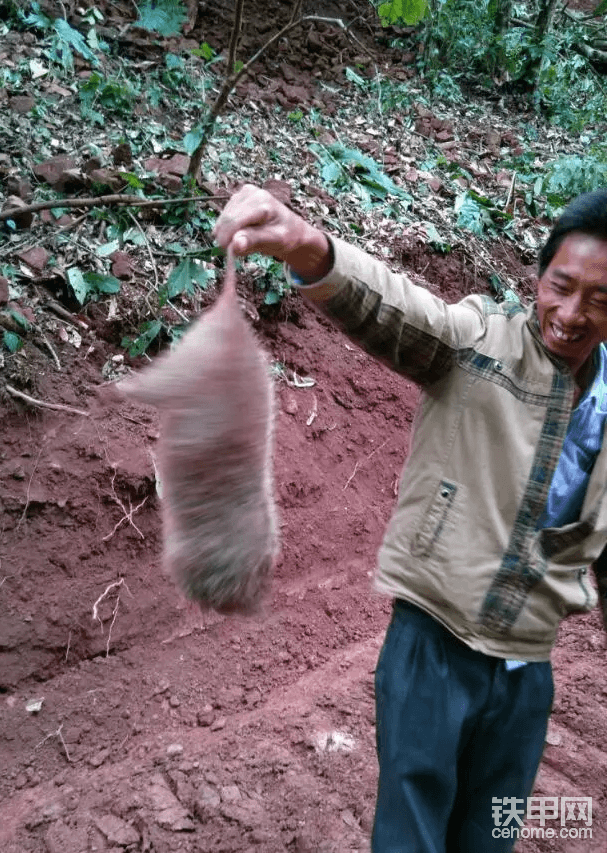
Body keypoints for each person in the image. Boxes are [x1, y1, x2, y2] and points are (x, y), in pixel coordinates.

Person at [214, 185, 607, 853]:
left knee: (492, 836)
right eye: (561, 285)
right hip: (433, 647)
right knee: (411, 835)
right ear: (537, 276)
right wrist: (310, 246)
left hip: (526, 671)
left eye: (600, 299)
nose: (571, 313)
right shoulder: (479, 343)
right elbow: (396, 310)